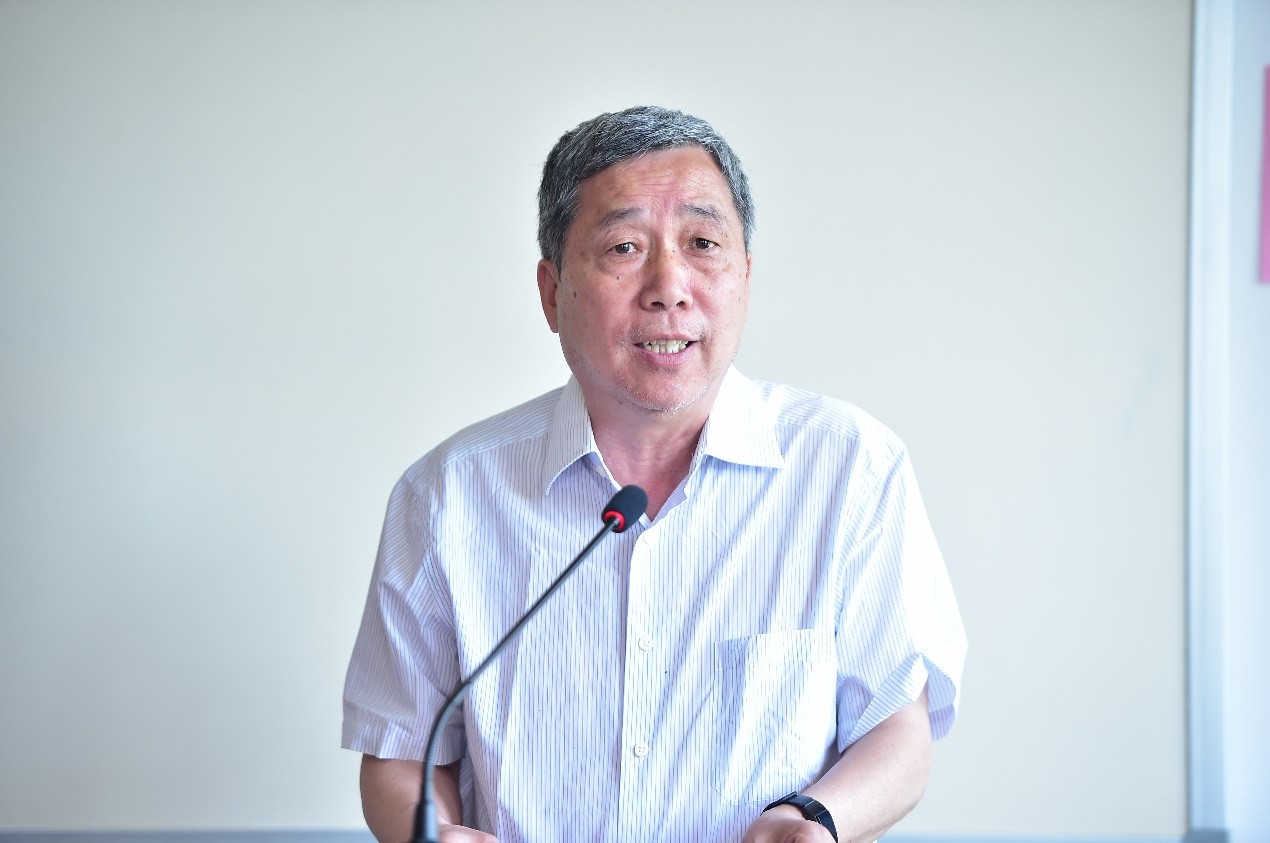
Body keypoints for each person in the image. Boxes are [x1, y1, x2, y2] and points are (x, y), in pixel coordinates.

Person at [343, 105, 966, 843]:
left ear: (745, 276)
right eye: (624, 247)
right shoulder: (447, 495)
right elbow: (401, 750)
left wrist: (818, 819)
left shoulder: (850, 467)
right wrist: (435, 834)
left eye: (703, 243)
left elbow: (898, 727)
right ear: (551, 292)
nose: (669, 286)